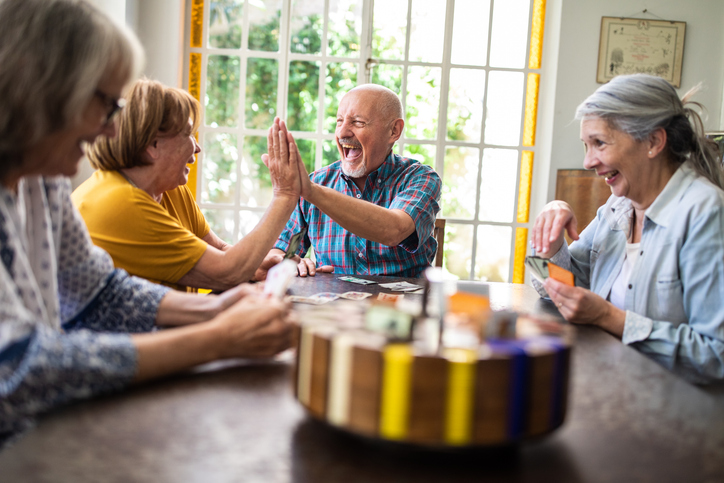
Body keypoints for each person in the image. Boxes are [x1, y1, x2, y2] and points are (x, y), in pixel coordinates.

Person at [0, 0, 293, 445]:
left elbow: (97, 289)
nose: (113, 130)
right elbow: (18, 367)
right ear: (50, 89)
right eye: (107, 104)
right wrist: (217, 337)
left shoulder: (46, 179)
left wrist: (213, 309)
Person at [531, 74, 724, 384]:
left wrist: (608, 317)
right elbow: (554, 289)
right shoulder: (617, 207)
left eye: (599, 143)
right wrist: (549, 243)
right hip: (612, 386)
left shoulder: (705, 212)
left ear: (653, 142)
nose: (587, 162)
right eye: (586, 145)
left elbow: (716, 356)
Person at [72, 78, 300, 292]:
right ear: (153, 144)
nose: (197, 147)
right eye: (188, 134)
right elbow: (226, 272)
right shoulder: (119, 202)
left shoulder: (171, 190)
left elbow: (219, 251)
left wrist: (255, 267)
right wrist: (286, 195)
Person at [264, 84, 442, 278]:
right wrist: (292, 262)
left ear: (393, 131)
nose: (342, 133)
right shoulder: (316, 181)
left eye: (358, 122)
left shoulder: (420, 178)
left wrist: (312, 192)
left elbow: (393, 230)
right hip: (332, 305)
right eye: (339, 122)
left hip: (401, 305)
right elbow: (277, 251)